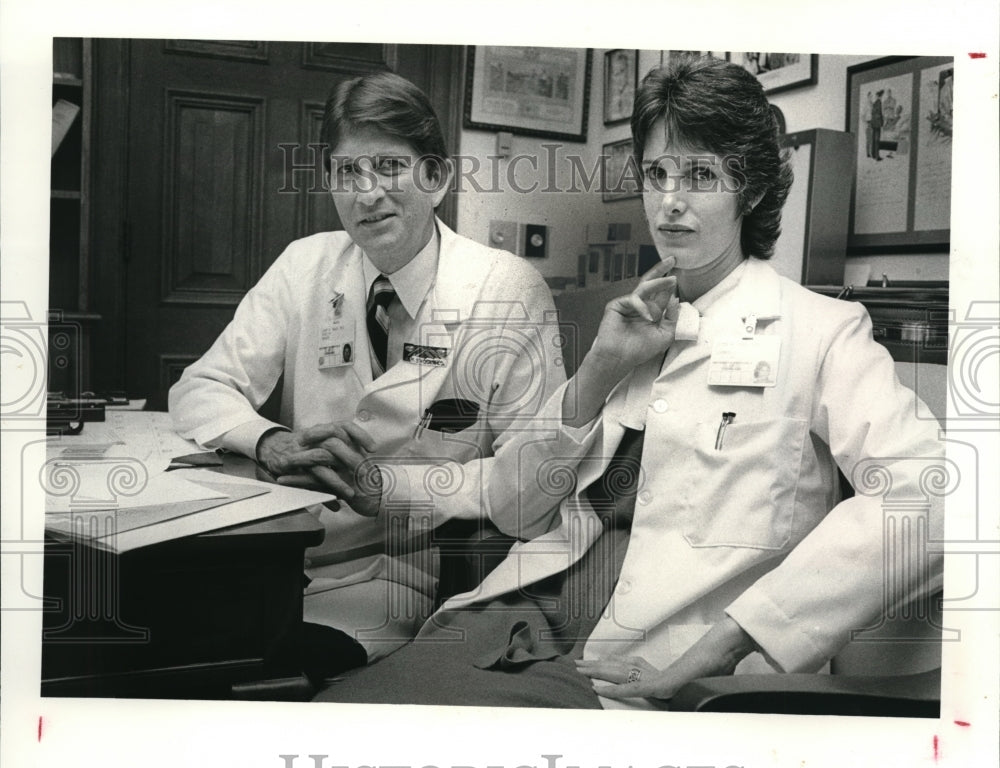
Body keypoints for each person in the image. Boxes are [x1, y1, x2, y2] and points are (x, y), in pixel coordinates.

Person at [313, 57, 945, 711]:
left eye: (700, 175)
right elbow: (517, 510)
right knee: (332, 718)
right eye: (656, 173)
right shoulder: (630, 326)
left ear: (749, 189)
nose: (670, 200)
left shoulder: (822, 331)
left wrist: (731, 641)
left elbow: (932, 497)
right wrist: (597, 373)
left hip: (644, 672)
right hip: (512, 624)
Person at [169, 71, 565, 677]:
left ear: (437, 178)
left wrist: (392, 489)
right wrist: (269, 441)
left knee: (241, 671)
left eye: (388, 166)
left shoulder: (505, 291)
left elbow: (531, 487)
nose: (367, 192)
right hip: (277, 557)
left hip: (399, 575)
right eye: (347, 172)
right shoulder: (306, 265)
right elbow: (199, 388)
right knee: (162, 644)